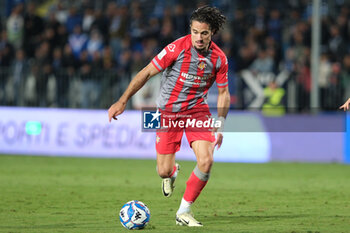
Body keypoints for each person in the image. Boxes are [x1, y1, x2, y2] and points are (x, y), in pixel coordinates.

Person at [108, 6, 230, 227]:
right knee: (163, 170)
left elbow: (223, 93)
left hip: (197, 112)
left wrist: (220, 126)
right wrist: (122, 100)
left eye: (204, 33)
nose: (199, 38)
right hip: (167, 114)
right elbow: (146, 72)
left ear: (212, 32)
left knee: (206, 160)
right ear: (190, 30)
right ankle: (172, 173)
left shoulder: (219, 59)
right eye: (195, 32)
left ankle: (184, 211)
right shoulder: (176, 48)